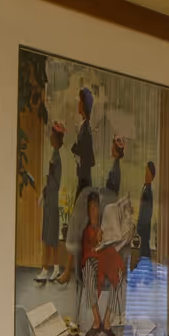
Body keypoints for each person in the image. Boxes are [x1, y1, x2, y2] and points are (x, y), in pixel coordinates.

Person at [76, 188, 127, 336]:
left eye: (96, 207)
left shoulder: (105, 225)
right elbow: (86, 253)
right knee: (88, 272)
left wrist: (106, 239)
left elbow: (111, 247)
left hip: (106, 259)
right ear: (88, 209)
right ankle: (96, 321)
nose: (93, 210)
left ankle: (107, 322)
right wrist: (95, 246)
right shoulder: (86, 230)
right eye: (91, 207)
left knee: (118, 274)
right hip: (92, 262)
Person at [35, 121, 66, 284]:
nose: (50, 138)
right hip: (50, 198)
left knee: (51, 235)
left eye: (52, 135)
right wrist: (44, 195)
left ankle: (51, 268)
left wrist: (44, 194)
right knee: (49, 234)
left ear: (56, 139)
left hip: (52, 199)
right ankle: (49, 268)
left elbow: (53, 182)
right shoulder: (55, 156)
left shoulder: (56, 158)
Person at [73, 87, 97, 193]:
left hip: (84, 181)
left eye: (80, 102)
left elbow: (88, 158)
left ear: (83, 105)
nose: (78, 104)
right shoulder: (84, 128)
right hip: (82, 179)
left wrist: (75, 149)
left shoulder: (86, 130)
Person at [136, 161, 157, 269]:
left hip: (145, 227)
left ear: (152, 176)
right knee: (143, 248)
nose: (145, 175)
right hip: (143, 227)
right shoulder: (145, 188)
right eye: (146, 172)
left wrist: (141, 225)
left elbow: (147, 212)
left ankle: (146, 267)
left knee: (144, 249)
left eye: (148, 173)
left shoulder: (148, 192)